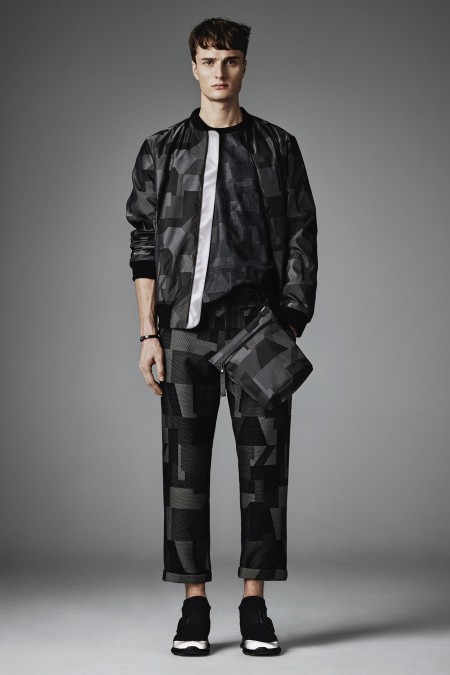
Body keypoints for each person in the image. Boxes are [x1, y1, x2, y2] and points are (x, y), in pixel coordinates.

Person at [125, 16, 318, 657]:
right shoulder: (161, 150)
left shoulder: (277, 147)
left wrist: (290, 320)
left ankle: (255, 605)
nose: (219, 72)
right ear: (193, 67)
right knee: (185, 471)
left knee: (264, 472)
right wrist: (148, 333)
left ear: (244, 66)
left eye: (230, 59)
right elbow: (143, 244)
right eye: (208, 60)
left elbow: (301, 233)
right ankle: (195, 605)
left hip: (257, 328)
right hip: (183, 331)